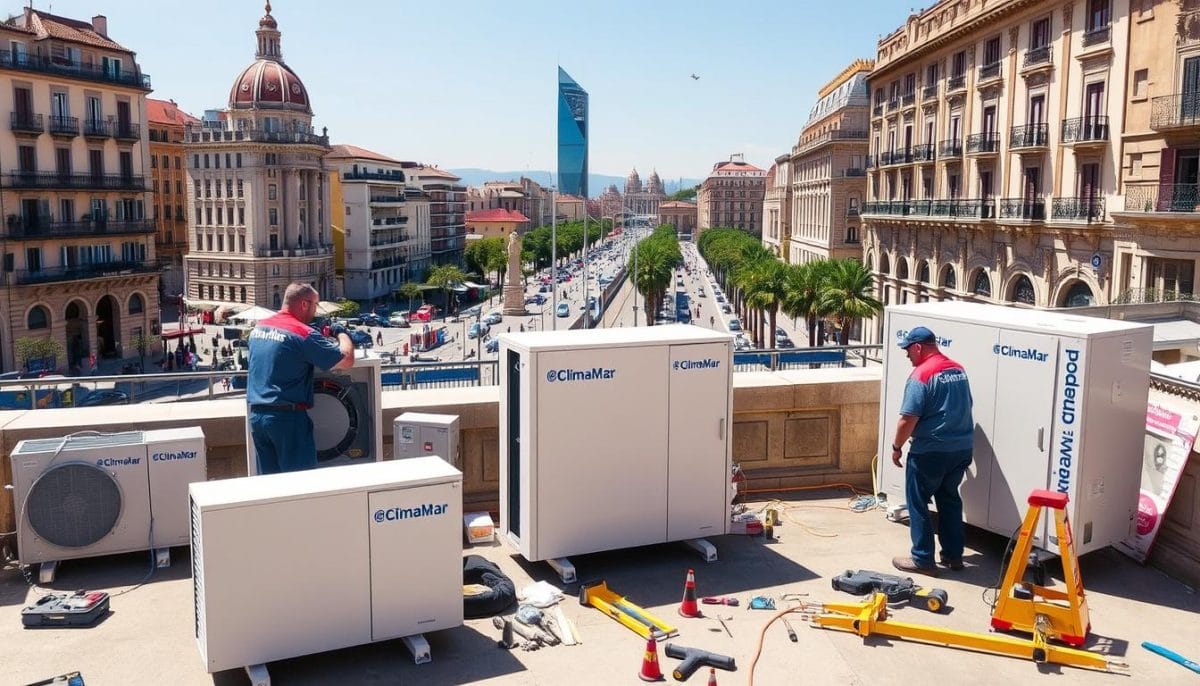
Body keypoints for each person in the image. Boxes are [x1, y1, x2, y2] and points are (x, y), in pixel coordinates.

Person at [890, 326, 974, 576]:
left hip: (930, 451)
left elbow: (907, 418)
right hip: (961, 449)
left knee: (918, 503)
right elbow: (968, 404)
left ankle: (923, 559)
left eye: (908, 350)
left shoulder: (921, 375)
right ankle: (953, 556)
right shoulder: (958, 369)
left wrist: (896, 447)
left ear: (918, 347)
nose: (907, 355)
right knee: (949, 500)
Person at [247, 283, 354, 475]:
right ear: (304, 304)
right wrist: (341, 332)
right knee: (300, 486)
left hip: (257, 417)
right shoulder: (303, 333)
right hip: (287, 420)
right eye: (315, 305)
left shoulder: (258, 329)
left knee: (269, 487)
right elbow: (347, 359)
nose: (315, 311)